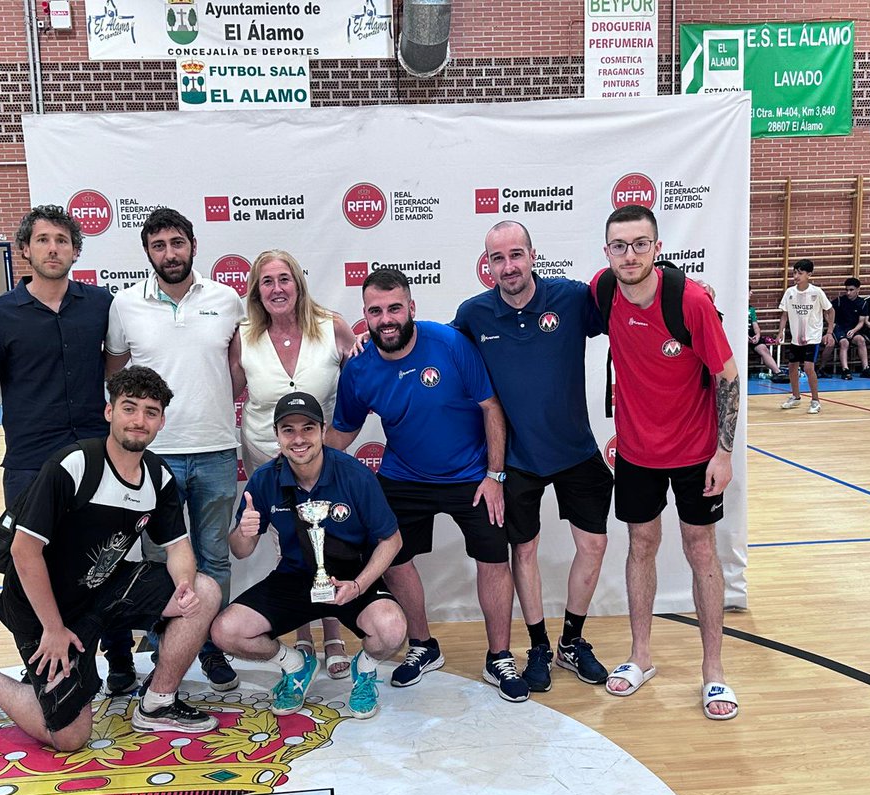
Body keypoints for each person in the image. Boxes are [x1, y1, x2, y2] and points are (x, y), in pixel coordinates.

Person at [0, 367, 222, 751]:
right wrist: (51, 628)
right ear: (109, 412)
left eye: (150, 412)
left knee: (205, 590)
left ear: (162, 421)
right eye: (129, 408)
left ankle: (158, 702)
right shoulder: (74, 466)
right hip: (43, 610)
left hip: (101, 593)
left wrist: (183, 585)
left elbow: (178, 545)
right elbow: (23, 551)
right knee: (69, 737)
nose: (139, 420)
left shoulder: (157, 476)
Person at [327, 268, 527, 702]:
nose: (386, 318)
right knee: (394, 557)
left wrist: (495, 477)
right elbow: (341, 432)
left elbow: (491, 407)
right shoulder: (360, 367)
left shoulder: (450, 344)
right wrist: (301, 460)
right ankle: (423, 646)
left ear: (411, 308)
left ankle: (499, 656)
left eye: (395, 307)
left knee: (494, 560)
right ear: (365, 316)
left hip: (472, 475)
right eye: (376, 311)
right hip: (404, 475)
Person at [0, 205, 138, 689]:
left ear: (76, 250)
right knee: (29, 560)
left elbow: (117, 373)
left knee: (108, 555)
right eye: (42, 240)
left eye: (62, 240)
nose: (52, 248)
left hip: (95, 458)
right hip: (30, 462)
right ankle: (40, 658)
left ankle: (121, 661)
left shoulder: (102, 305)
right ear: (25, 250)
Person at [592, 204, 739, 720]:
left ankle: (714, 672)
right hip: (636, 453)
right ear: (607, 251)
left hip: (698, 453)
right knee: (641, 545)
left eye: (639, 244)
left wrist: (724, 452)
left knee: (701, 549)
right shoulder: (603, 291)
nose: (629, 254)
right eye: (619, 245)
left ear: (657, 248)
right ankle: (640, 657)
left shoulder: (690, 301)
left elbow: (727, 377)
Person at [450, 222, 611, 692]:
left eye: (515, 254)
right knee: (524, 550)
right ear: (488, 265)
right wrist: (363, 341)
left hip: (576, 449)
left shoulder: (571, 298)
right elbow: (434, 349)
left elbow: (630, 304)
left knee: (594, 546)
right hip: (516, 459)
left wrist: (688, 290)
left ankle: (572, 642)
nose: (508, 266)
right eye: (497, 258)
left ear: (533, 255)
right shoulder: (474, 314)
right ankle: (538, 646)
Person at [105, 207, 245, 693]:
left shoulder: (228, 300)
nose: (170, 254)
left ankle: (211, 646)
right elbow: (117, 375)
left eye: (177, 243)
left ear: (193, 245)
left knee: (215, 559)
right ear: (147, 251)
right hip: (152, 459)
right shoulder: (125, 305)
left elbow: (239, 367)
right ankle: (170, 645)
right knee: (162, 561)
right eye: (159, 245)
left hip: (217, 451)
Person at [211, 392, 406, 719]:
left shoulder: (353, 474)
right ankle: (296, 666)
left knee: (392, 630)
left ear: (322, 430)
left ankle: (366, 670)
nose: (298, 439)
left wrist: (358, 585)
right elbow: (241, 552)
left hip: (349, 578)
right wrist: (243, 532)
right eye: (288, 430)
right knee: (225, 631)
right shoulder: (264, 479)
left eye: (307, 428)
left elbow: (392, 540)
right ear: (277, 435)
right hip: (294, 578)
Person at [234, 249, 359, 681]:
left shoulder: (331, 326)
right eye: (266, 282)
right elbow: (227, 388)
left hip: (322, 457)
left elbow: (363, 381)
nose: (276, 289)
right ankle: (299, 626)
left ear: (298, 284)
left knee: (328, 537)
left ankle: (333, 628)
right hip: (266, 454)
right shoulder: (245, 334)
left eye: (284, 279)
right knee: (286, 539)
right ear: (256, 291)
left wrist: (339, 443)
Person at [777, 259, 834, 414]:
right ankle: (795, 396)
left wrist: (829, 332)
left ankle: (815, 400)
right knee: (792, 367)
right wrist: (781, 331)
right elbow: (784, 315)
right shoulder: (790, 292)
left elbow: (830, 310)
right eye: (794, 272)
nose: (796, 276)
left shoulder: (817, 292)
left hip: (813, 337)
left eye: (800, 273)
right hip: (796, 338)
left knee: (808, 368)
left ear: (809, 274)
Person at [820, 278, 870, 380]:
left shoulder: (862, 303)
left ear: (858, 290)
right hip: (839, 328)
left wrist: (854, 330)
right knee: (844, 342)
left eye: (851, 290)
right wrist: (830, 323)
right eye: (846, 290)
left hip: (852, 328)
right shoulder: (839, 301)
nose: (848, 292)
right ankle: (845, 370)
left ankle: (865, 368)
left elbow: (861, 321)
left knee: (861, 340)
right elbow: (826, 311)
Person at [747, 293, 783, 381]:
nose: (751, 293)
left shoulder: (751, 309)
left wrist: (757, 335)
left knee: (764, 349)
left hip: (751, 334)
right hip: (738, 333)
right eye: (749, 291)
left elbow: (755, 325)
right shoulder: (735, 307)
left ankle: (778, 372)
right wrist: (745, 336)